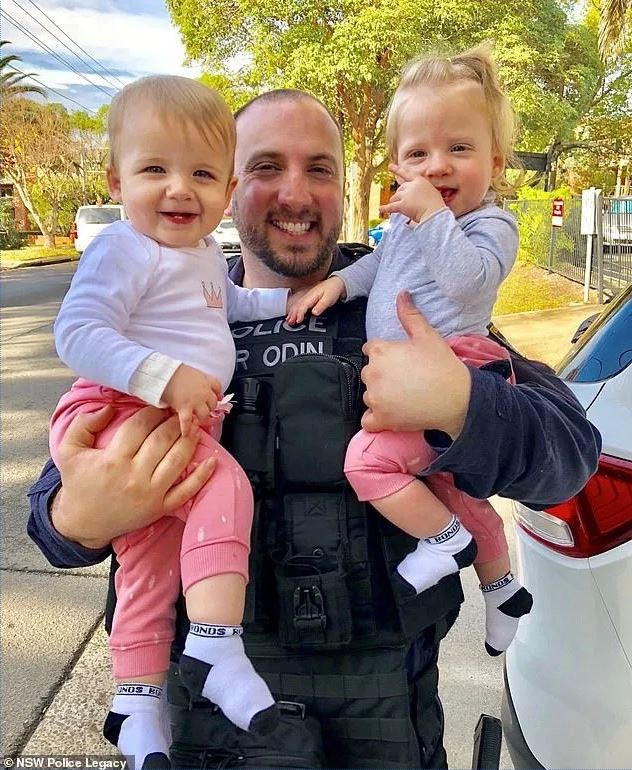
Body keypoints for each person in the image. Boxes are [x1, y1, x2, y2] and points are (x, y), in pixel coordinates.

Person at [29, 88, 601, 769]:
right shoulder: (162, 317)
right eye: (267, 165)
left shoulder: (412, 301)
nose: (295, 193)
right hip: (209, 731)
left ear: (350, 182)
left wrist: (462, 406)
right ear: (233, 182)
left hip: (387, 721)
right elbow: (53, 521)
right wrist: (79, 515)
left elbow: (569, 458)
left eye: (320, 169)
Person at [48, 76, 290, 768]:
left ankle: (136, 703)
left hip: (164, 418)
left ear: (229, 188)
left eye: (203, 173)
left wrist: (290, 303)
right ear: (115, 179)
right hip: (125, 411)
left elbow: (223, 310)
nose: (180, 189)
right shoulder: (124, 249)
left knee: (149, 570)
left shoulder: (201, 254)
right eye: (155, 168)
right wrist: (166, 376)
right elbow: (78, 332)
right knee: (226, 491)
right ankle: (215, 643)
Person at [286, 46, 532, 656]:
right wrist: (343, 281)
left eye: (460, 149)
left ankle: (446, 544)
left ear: (495, 162)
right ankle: (504, 589)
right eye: (419, 153)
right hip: (407, 387)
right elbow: (384, 265)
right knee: (454, 492)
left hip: (458, 372)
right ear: (397, 165)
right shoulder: (405, 225)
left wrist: (431, 218)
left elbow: (469, 280)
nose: (438, 166)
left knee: (367, 462)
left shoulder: (488, 225)